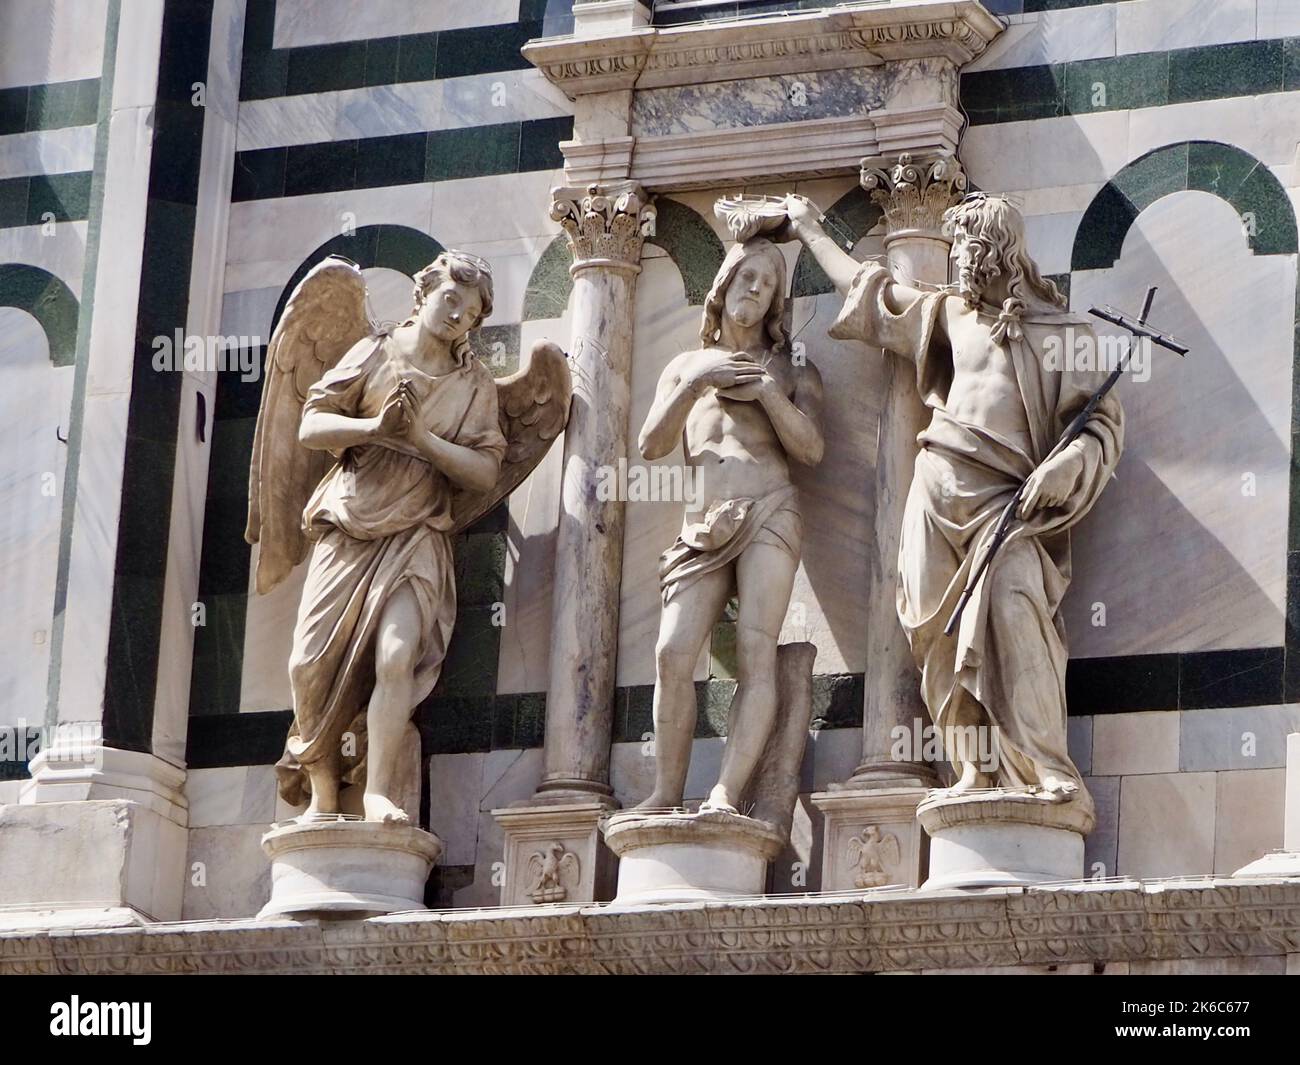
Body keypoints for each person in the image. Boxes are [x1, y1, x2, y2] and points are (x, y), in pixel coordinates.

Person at [785, 192, 1123, 818]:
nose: (960, 263)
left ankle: (1046, 767)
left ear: (998, 251)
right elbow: (869, 290)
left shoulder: (1062, 332)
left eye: (968, 248)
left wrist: (1065, 464)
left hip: (1009, 504)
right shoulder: (946, 316)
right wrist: (810, 228)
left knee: (1017, 610)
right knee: (935, 633)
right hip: (934, 493)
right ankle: (973, 767)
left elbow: (1098, 422)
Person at [279, 252, 507, 822]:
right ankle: (325, 794)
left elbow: (484, 472)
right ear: (424, 293)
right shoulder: (374, 352)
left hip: (418, 532)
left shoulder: (475, 385)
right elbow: (311, 424)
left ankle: (378, 789)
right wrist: (375, 429)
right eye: (450, 299)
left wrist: (424, 442)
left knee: (397, 655)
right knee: (309, 663)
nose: (457, 316)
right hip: (350, 521)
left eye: (471, 313)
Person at [636, 237, 824, 814]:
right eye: (747, 278)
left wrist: (768, 393)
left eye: (767, 287)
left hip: (770, 508)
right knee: (672, 652)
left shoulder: (792, 368)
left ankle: (725, 793)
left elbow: (812, 448)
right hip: (701, 526)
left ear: (775, 307)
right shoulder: (683, 367)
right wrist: (698, 381)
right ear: (724, 285)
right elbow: (650, 445)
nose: (755, 290)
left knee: (754, 649)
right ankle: (665, 793)